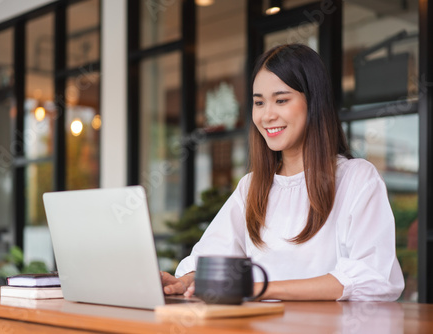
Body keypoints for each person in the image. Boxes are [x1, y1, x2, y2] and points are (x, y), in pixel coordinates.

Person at [161, 43, 405, 301]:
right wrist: (184, 281)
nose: (267, 115)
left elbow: (373, 276)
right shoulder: (252, 186)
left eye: (281, 100)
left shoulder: (356, 178)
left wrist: (260, 289)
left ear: (314, 102)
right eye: (259, 102)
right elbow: (213, 256)